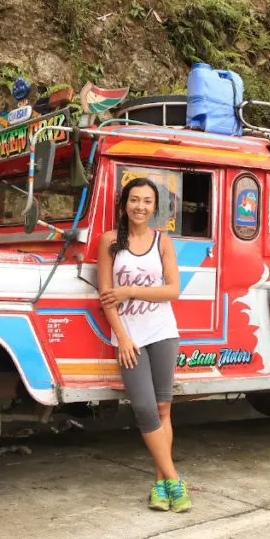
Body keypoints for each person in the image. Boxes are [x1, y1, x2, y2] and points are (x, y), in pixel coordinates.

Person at [98, 177, 190, 513]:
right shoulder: (109, 241)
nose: (140, 206)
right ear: (124, 204)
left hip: (163, 332)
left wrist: (130, 292)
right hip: (129, 338)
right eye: (134, 200)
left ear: (155, 207)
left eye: (147, 201)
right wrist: (122, 337)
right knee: (144, 409)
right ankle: (174, 479)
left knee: (164, 409)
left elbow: (173, 291)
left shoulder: (162, 241)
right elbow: (106, 297)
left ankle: (160, 485)